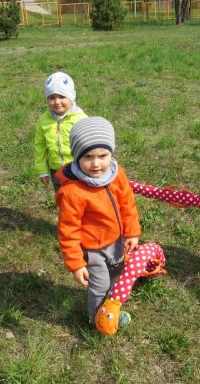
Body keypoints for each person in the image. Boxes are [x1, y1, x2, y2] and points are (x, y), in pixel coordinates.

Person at [55, 117, 141, 328]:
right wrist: (76, 263)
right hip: (92, 249)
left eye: (103, 156)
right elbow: (68, 231)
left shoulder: (115, 173)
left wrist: (131, 232)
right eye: (88, 157)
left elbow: (127, 203)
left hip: (116, 240)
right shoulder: (72, 192)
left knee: (115, 279)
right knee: (100, 285)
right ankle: (98, 320)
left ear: (111, 154)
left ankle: (110, 308)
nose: (96, 163)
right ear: (76, 157)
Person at [33, 71, 87, 191]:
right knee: (61, 196)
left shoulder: (80, 118)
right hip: (56, 170)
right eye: (51, 98)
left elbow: (90, 146)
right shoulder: (43, 120)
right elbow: (40, 147)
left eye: (62, 97)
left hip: (78, 169)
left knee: (80, 198)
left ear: (71, 97)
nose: (57, 102)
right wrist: (42, 171)